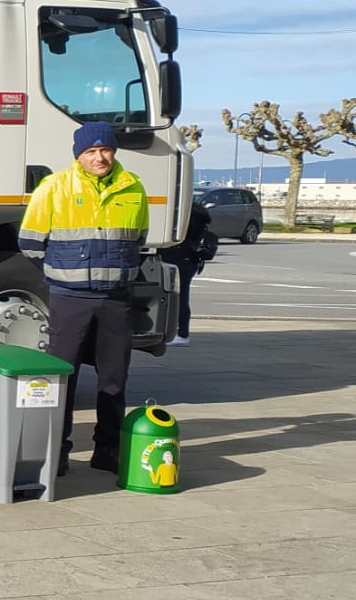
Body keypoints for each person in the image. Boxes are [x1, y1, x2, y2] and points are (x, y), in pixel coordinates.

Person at [19, 121, 149, 477]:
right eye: (90, 151)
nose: (99, 157)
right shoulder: (54, 187)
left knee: (114, 378)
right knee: (62, 377)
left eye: (105, 149)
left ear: (114, 151)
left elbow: (138, 238)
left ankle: (107, 449)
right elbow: (29, 243)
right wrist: (59, 275)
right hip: (69, 298)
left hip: (115, 298)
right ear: (78, 155)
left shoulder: (133, 188)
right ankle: (56, 450)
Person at [159, 201, 216, 347]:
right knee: (182, 297)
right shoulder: (198, 224)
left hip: (177, 259)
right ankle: (181, 332)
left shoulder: (182, 221)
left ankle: (182, 333)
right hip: (188, 262)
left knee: (178, 298)